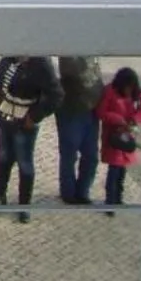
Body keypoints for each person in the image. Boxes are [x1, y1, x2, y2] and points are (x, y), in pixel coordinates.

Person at [0, 55, 61, 219]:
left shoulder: (41, 64)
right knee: (4, 157)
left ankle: (24, 205)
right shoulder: (8, 58)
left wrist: (34, 116)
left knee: (25, 163)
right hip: (4, 116)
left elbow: (56, 95)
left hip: (24, 121)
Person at [97, 67, 141, 207]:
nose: (129, 90)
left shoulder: (137, 93)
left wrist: (134, 120)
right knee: (114, 169)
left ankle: (118, 198)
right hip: (114, 136)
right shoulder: (110, 91)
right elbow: (102, 112)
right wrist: (119, 120)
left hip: (127, 136)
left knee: (122, 170)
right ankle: (110, 201)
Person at [55, 55, 104, 204]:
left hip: (91, 111)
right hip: (71, 111)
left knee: (91, 156)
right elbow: (75, 75)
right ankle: (68, 193)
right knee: (69, 154)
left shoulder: (91, 53)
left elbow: (96, 75)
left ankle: (83, 192)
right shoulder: (69, 55)